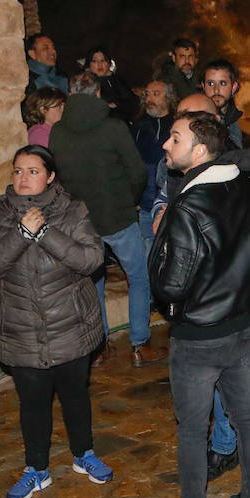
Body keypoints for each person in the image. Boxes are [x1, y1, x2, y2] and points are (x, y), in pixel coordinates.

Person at [152, 111, 250, 498]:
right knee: (244, 415)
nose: (166, 144)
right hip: (242, 327)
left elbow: (171, 284)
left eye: (175, 138)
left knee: (191, 430)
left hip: (198, 336)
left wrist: (158, 241)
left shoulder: (187, 206)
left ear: (199, 150)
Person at [0, 145, 113, 498]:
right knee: (32, 403)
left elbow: (92, 258)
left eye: (33, 171)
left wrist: (45, 232)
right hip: (21, 329)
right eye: (18, 171)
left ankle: (84, 455)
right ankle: (37, 470)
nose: (23, 178)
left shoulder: (72, 210)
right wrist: (20, 233)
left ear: (50, 177)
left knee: (75, 395)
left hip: (70, 326)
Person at [48, 72, 162, 366]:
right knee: (137, 277)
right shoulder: (113, 127)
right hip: (118, 216)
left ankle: (100, 343)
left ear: (70, 95)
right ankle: (140, 340)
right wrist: (130, 199)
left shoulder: (58, 132)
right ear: (98, 94)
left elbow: (58, 175)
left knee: (93, 280)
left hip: (81, 220)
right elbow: (136, 171)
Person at [130, 80, 175, 245]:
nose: (150, 99)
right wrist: (135, 198)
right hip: (146, 206)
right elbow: (131, 165)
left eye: (156, 94)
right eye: (147, 94)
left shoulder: (178, 126)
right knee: (149, 251)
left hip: (171, 205)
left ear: (169, 98)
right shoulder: (137, 127)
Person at [81, 46, 141, 121]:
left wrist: (116, 104)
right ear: (89, 64)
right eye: (94, 61)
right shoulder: (83, 83)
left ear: (109, 63)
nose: (99, 65)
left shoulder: (116, 80)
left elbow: (133, 103)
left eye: (103, 60)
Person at [202, 58, 246, 149]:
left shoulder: (233, 121)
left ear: (233, 87)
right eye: (210, 83)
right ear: (203, 86)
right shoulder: (196, 122)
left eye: (222, 83)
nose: (216, 90)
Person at [160, 37, 202, 101]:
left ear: (196, 59)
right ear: (174, 58)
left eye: (190, 56)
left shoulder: (203, 78)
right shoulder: (164, 80)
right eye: (182, 56)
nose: (187, 61)